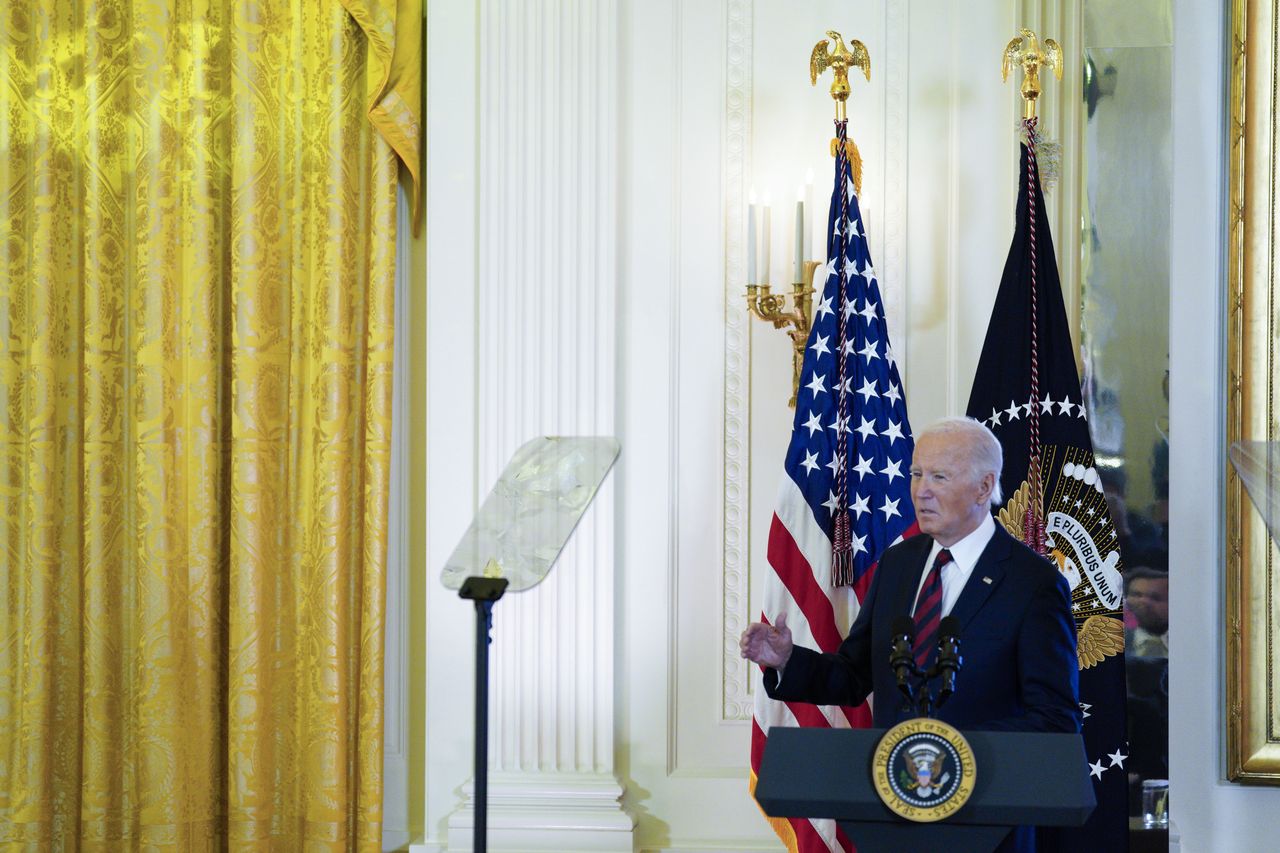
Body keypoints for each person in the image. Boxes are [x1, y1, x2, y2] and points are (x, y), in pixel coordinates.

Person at [740, 417, 1080, 852]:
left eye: (939, 476)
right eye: (917, 474)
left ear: (984, 487)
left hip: (986, 822)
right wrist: (788, 659)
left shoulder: (1033, 584)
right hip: (893, 812)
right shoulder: (898, 564)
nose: (921, 490)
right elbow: (852, 675)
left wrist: (950, 749)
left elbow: (1055, 717)